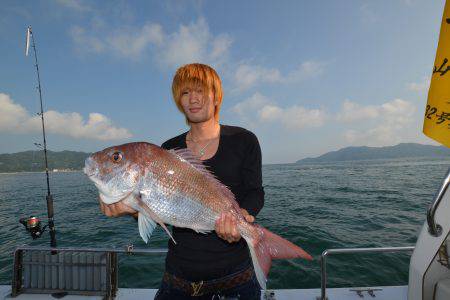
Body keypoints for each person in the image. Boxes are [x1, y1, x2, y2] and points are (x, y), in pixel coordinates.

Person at [99, 63, 264, 299]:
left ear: (216, 96)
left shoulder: (244, 140)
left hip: (236, 276)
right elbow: (160, 210)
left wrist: (243, 219)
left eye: (200, 90)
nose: (193, 99)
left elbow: (255, 192)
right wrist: (129, 209)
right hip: (179, 277)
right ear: (179, 100)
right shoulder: (167, 150)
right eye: (185, 93)